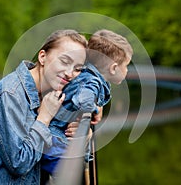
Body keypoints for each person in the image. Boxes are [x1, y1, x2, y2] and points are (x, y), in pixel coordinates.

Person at [0, 29, 90, 185]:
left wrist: (83, 135)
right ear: (43, 57)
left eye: (77, 68)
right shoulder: (10, 94)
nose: (70, 73)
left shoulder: (52, 94)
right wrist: (44, 118)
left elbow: (61, 162)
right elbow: (19, 164)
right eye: (65, 61)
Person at [40, 29, 133, 181]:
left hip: (56, 135)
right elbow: (83, 99)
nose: (127, 71)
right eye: (126, 66)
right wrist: (93, 109)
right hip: (57, 138)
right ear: (114, 68)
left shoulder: (87, 74)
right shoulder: (92, 82)